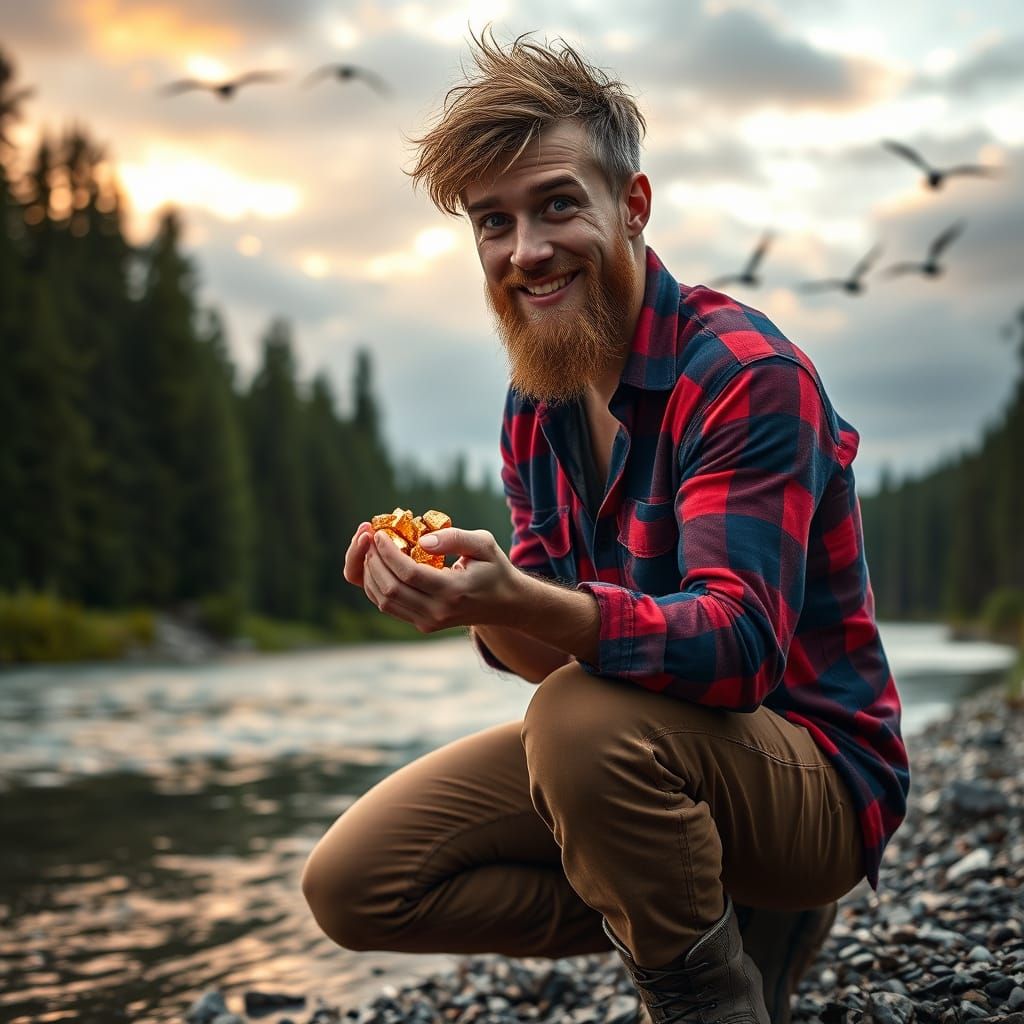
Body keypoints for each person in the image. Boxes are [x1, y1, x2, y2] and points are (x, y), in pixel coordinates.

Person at [301, 30, 909, 1024]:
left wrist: (521, 597)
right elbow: (553, 648)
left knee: (578, 723)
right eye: (494, 223)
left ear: (632, 205)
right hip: (648, 750)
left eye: (556, 205)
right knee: (358, 882)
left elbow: (739, 650)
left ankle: (709, 1000)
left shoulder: (745, 373)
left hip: (817, 777)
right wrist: (473, 603)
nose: (525, 251)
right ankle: (727, 917)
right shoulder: (533, 399)